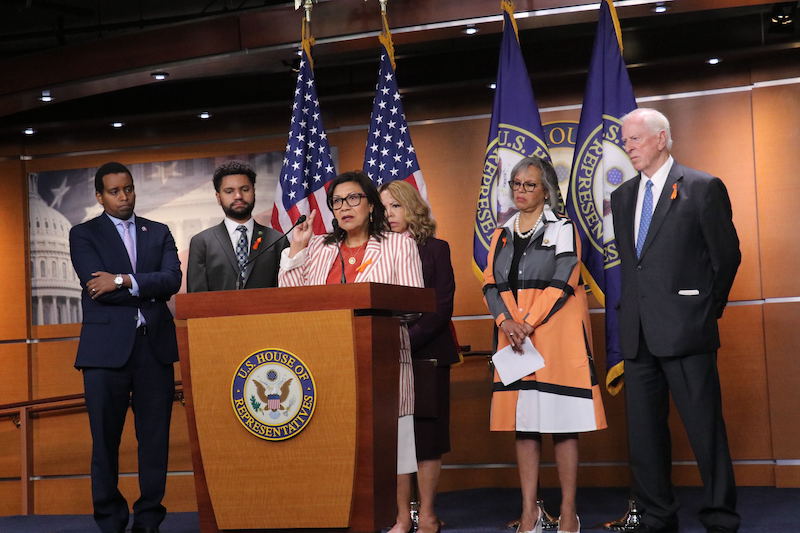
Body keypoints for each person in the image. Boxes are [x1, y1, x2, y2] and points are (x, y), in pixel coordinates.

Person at [611, 108, 741, 533]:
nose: (628, 147)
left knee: (705, 430)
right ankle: (657, 515)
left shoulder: (702, 187)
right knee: (644, 438)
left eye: (635, 139)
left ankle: (720, 516)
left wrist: (703, 310)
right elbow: (635, 267)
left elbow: (726, 257)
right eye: (625, 140)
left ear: (661, 138)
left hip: (688, 331)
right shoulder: (623, 196)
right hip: (638, 335)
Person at [483, 156, 607, 533]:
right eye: (516, 184)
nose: (521, 191)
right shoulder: (501, 233)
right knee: (525, 425)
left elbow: (564, 277)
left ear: (546, 191)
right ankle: (530, 512)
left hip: (554, 337)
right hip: (516, 339)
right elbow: (490, 283)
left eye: (530, 185)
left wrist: (527, 322)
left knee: (562, 424)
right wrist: (506, 322)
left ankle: (568, 510)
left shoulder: (562, 227)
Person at [278, 170, 424, 483]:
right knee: (337, 453)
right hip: (327, 365)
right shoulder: (319, 247)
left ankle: (398, 511)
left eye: (353, 198)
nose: (344, 207)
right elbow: (291, 301)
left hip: (381, 363)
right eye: (337, 201)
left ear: (371, 205)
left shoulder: (399, 245)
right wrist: (297, 248)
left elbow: (413, 305)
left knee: (391, 453)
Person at [69, 162, 182, 533]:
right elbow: (96, 288)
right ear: (100, 196)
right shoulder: (83, 234)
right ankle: (110, 520)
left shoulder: (158, 231)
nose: (124, 196)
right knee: (105, 441)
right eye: (115, 191)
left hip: (154, 350)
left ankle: (148, 519)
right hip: (105, 354)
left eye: (128, 188)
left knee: (155, 440)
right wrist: (144, 287)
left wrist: (121, 280)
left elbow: (171, 280)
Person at [379, 180, 458, 533]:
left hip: (427, 355)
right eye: (383, 207)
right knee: (396, 440)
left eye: (396, 206)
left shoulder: (436, 249)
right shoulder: (375, 249)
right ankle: (400, 517)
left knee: (427, 439)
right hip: (385, 360)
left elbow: (441, 306)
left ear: (413, 207)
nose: (389, 214)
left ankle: (426, 515)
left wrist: (404, 342)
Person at [187, 160, 287, 292]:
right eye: (229, 191)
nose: (238, 196)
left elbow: (286, 290)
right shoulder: (202, 242)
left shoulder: (277, 240)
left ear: (254, 191)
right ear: (218, 197)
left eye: (245, 189)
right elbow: (196, 296)